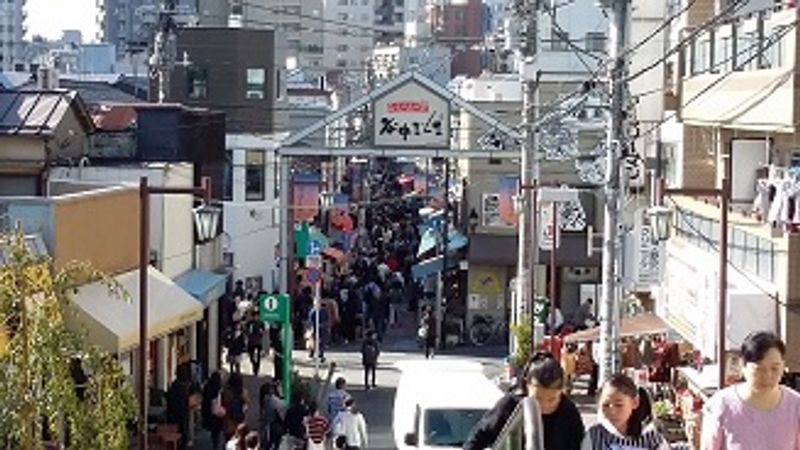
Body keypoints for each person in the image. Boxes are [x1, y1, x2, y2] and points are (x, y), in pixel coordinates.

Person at [464, 352, 584, 450]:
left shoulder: (569, 412)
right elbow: (477, 439)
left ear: (561, 392)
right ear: (527, 385)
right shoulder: (510, 406)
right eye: (537, 399)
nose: (542, 406)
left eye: (551, 400)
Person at [701, 331, 800, 450]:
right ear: (743, 365)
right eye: (759, 369)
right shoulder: (721, 406)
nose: (767, 375)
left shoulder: (795, 406)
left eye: (775, 368)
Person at [581, 374, 668, 450]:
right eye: (606, 405)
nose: (612, 411)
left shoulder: (652, 438)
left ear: (635, 402)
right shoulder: (594, 435)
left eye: (619, 405)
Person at [259, 380, 286, 450]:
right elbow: (282, 415)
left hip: (268, 426)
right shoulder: (275, 401)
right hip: (274, 426)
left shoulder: (265, 400)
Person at [202, 372, 226, 450]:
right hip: (218, 414)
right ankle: (216, 446)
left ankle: (215, 445)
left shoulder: (207, 387)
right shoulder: (219, 388)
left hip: (209, 413)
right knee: (217, 432)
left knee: (213, 432)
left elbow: (204, 401)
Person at [223, 373, 251, 439]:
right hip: (240, 421)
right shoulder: (243, 392)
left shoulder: (226, 391)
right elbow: (247, 403)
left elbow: (224, 402)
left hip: (229, 422)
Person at [246, 310, 266, 376]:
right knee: (251, 355)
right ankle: (254, 364)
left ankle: (256, 369)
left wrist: (261, 331)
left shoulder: (261, 323)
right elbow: (246, 331)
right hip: (251, 341)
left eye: (257, 316)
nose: (256, 317)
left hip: (258, 341)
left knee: (258, 356)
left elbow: (264, 331)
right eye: (254, 316)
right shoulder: (249, 323)